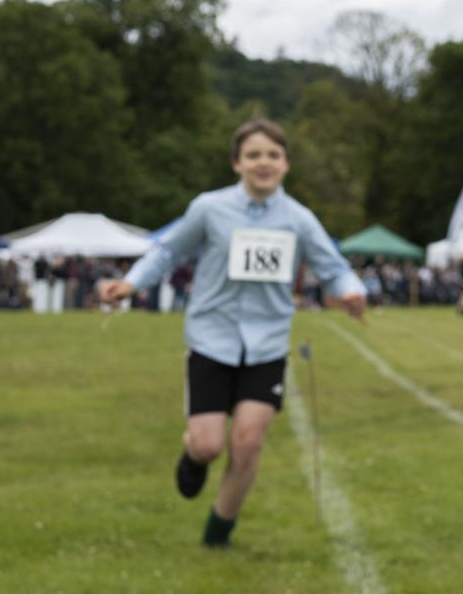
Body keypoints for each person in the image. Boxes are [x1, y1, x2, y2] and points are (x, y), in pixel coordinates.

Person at [97, 118, 367, 549]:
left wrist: (352, 292)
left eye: (273, 155)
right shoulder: (209, 208)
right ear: (236, 163)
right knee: (208, 445)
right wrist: (131, 283)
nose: (264, 163)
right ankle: (192, 454)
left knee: (248, 440)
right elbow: (170, 250)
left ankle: (218, 531)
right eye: (254, 155)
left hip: (267, 345)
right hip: (211, 338)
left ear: (287, 164)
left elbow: (333, 267)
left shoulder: (299, 219)